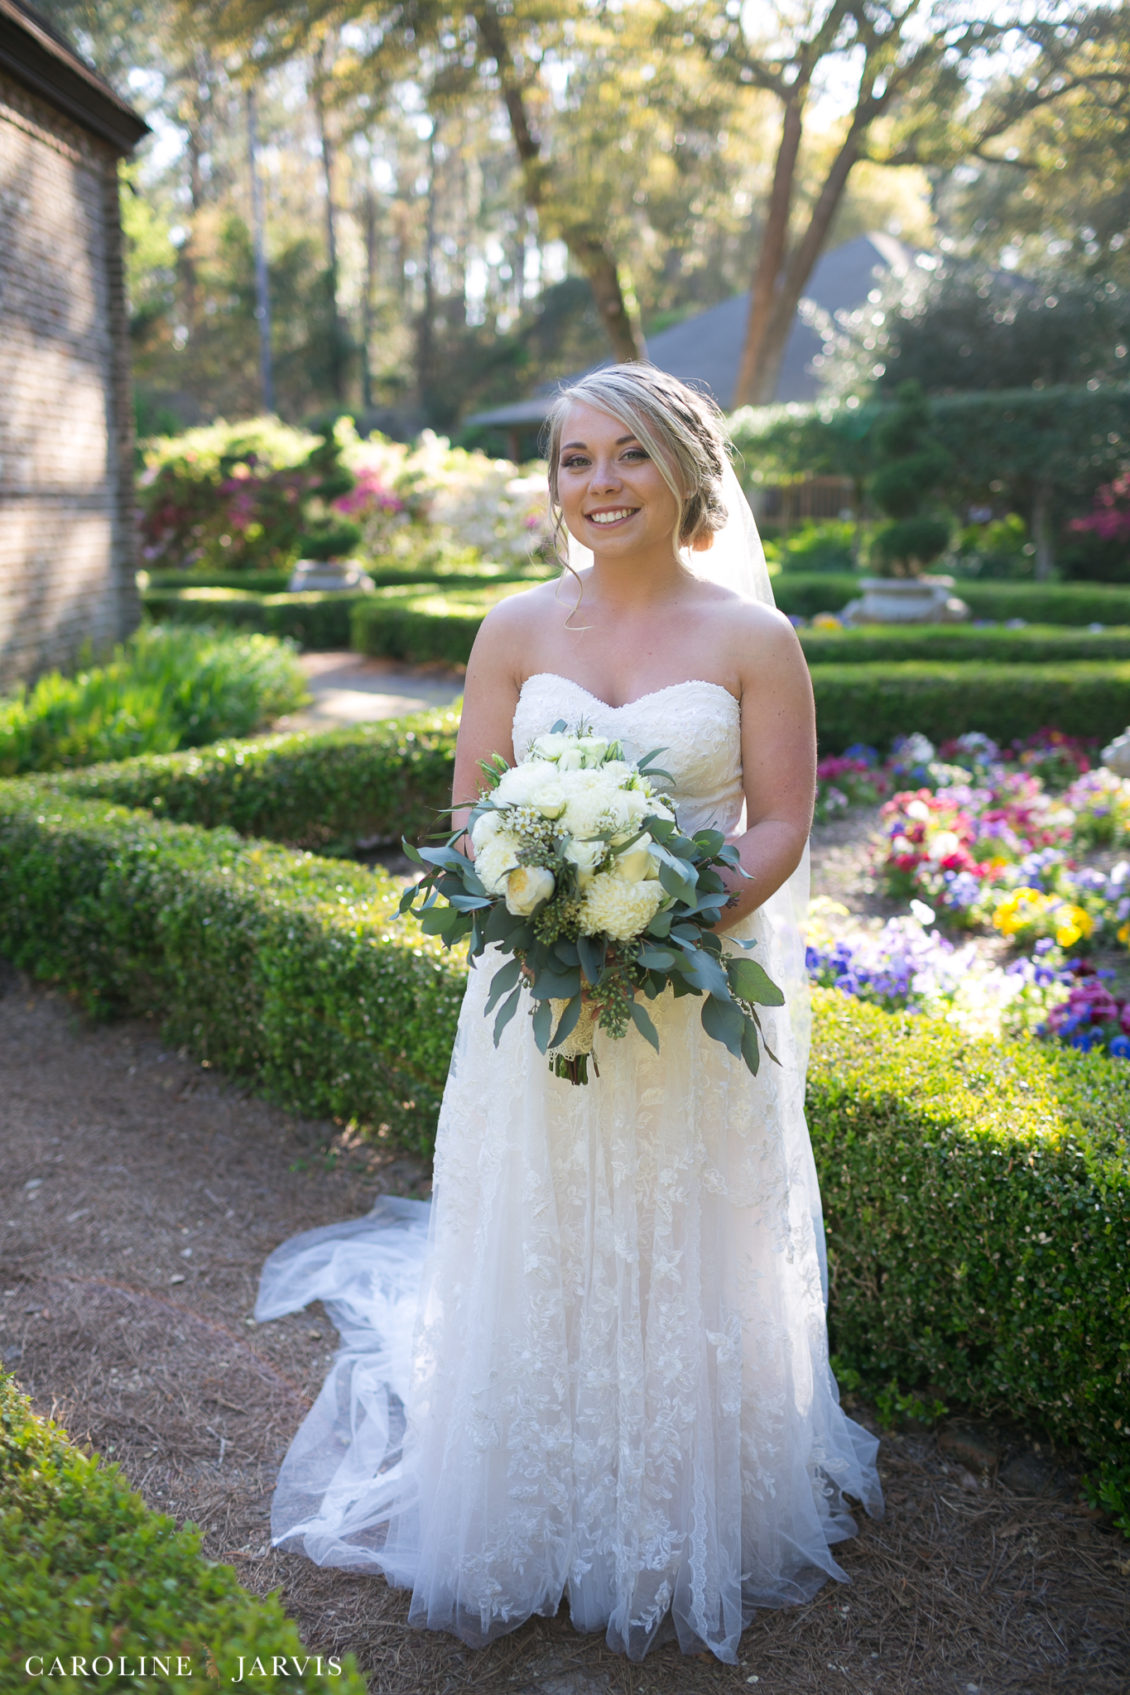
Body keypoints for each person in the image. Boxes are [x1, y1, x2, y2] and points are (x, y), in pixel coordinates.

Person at [255, 364, 883, 1664]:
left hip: (689, 994)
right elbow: (474, 809)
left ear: (685, 471)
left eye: (627, 456)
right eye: (574, 460)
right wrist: (543, 907)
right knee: (542, 1216)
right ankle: (525, 1501)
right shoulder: (515, 629)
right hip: (533, 993)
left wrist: (669, 924)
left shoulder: (752, 641)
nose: (597, 484)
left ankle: (670, 1503)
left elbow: (777, 822)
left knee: (676, 1223)